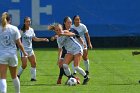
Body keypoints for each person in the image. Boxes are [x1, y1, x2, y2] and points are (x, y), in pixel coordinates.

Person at [0, 12, 27, 93]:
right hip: (12, 55)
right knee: (14, 76)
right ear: (10, 20)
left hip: (2, 55)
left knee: (3, 77)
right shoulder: (14, 28)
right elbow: (19, 43)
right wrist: (24, 53)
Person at [17, 17, 49, 81]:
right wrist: (22, 50)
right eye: (27, 21)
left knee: (34, 63)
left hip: (30, 50)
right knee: (24, 65)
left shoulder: (31, 30)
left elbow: (34, 39)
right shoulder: (21, 31)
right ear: (24, 22)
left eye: (29, 21)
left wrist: (43, 39)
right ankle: (17, 75)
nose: (28, 23)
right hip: (23, 50)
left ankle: (33, 78)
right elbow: (18, 40)